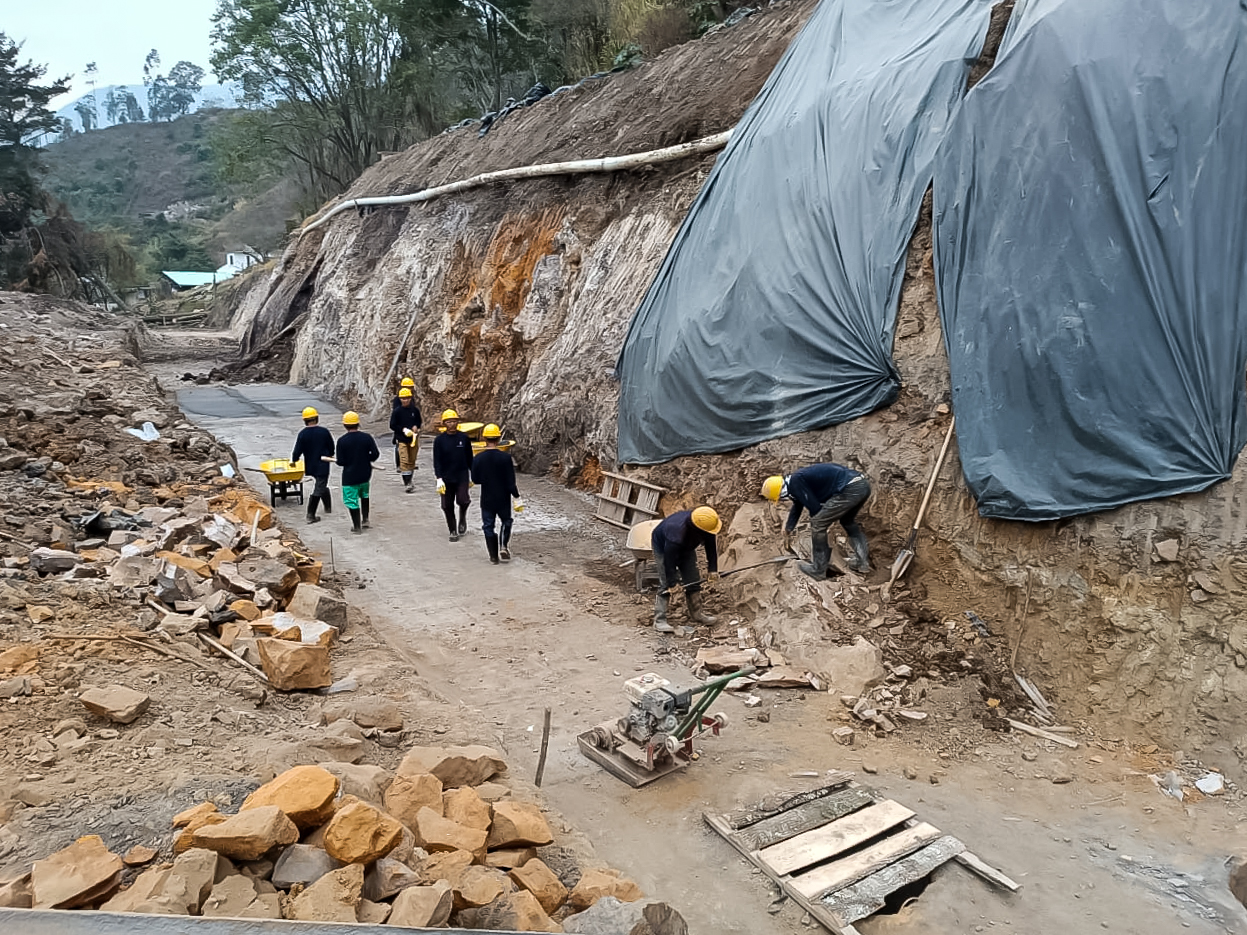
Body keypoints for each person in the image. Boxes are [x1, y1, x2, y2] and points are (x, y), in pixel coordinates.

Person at [762, 464, 872, 580]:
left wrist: (820, 524)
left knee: (818, 523)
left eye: (779, 498)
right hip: (862, 484)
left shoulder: (795, 482)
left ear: (780, 492)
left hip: (849, 489)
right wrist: (789, 527)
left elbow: (815, 509)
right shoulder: (795, 481)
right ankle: (862, 562)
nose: (782, 500)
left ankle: (818, 569)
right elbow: (798, 504)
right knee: (847, 521)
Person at [650, 507, 721, 634]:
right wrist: (673, 583)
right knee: (665, 583)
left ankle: (697, 614)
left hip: (687, 546)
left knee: (693, 580)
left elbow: (711, 547)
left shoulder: (706, 525)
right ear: (697, 529)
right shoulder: (676, 533)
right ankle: (659, 620)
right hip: (664, 547)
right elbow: (669, 562)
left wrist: (713, 569)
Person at [470, 424, 522, 564]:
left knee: (488, 526)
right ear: (499, 438)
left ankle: (493, 556)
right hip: (503, 497)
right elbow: (510, 481)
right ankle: (503, 546)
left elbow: (475, 479)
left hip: (487, 498)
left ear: (484, 438)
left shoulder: (478, 458)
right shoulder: (505, 458)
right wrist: (516, 496)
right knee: (506, 521)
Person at [335, 411, 379, 534]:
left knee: (351, 500)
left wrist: (340, 462)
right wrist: (366, 459)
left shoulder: (342, 441)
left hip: (350, 476)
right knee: (364, 495)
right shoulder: (367, 438)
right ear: (358, 423)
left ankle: (356, 526)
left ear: (344, 425)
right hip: (365, 474)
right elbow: (375, 454)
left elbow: (341, 461)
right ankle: (365, 519)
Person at [433, 409, 473, 541]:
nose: (452, 424)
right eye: (449, 421)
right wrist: (439, 478)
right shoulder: (439, 441)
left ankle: (462, 516)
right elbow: (437, 460)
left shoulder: (463, 438)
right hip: (446, 477)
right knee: (446, 505)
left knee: (463, 500)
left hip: (461, 475)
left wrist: (474, 473)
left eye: (454, 421)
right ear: (444, 423)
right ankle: (452, 530)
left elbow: (469, 458)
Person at [291, 406, 334, 524]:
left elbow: (297, 450)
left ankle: (328, 507)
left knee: (321, 484)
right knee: (320, 486)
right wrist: (330, 454)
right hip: (323, 464)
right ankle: (311, 514)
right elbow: (331, 446)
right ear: (317, 418)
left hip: (310, 465)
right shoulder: (324, 432)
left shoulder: (303, 434)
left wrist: (294, 460)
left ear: (305, 420)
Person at [389, 388, 422, 492]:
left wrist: (416, 427)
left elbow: (418, 421)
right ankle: (407, 483)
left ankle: (410, 479)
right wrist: (402, 429)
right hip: (401, 439)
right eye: (403, 398)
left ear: (410, 398)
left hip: (413, 439)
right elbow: (392, 425)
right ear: (400, 399)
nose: (405, 400)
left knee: (412, 460)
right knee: (404, 460)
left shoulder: (414, 411)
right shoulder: (397, 412)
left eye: (407, 398)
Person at [391, 377, 416, 471]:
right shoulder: (398, 399)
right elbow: (397, 413)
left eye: (410, 387)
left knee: (410, 445)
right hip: (401, 425)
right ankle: (399, 464)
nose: (409, 389)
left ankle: (409, 463)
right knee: (400, 445)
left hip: (410, 424)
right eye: (407, 387)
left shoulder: (411, 398)